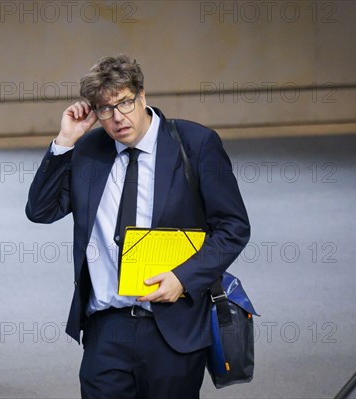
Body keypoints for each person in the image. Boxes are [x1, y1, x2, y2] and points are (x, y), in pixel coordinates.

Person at [25, 54, 250, 399]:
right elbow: (40, 210)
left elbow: (233, 227)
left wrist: (184, 279)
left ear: (142, 95)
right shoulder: (88, 152)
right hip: (107, 327)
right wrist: (65, 142)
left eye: (125, 103)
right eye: (105, 109)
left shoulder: (195, 144)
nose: (118, 117)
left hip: (173, 323)